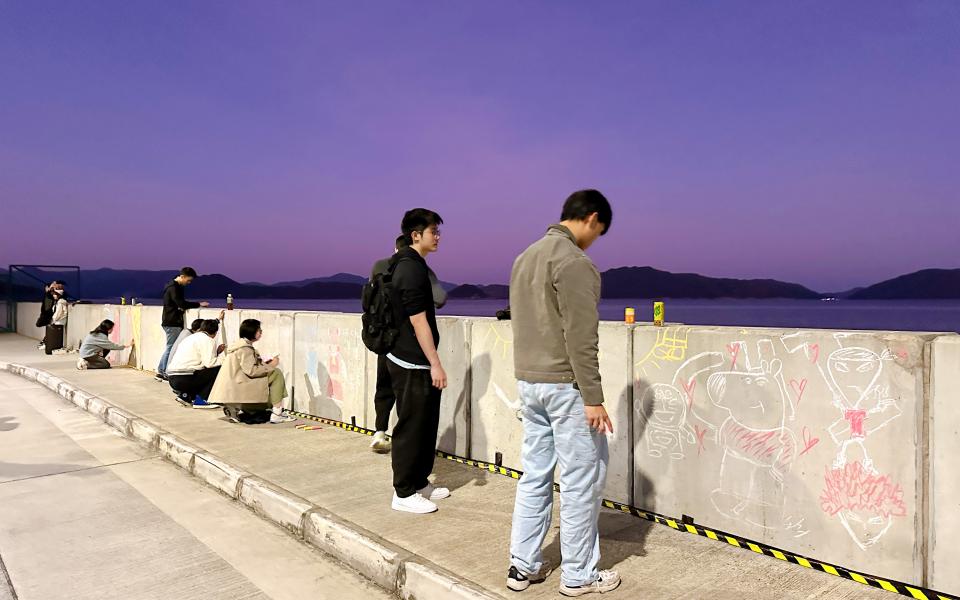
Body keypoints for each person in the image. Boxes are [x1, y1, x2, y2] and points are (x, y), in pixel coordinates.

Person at [506, 190, 621, 596]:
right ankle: (579, 574)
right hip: (565, 387)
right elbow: (581, 338)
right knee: (580, 480)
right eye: (598, 231)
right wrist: (593, 396)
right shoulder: (575, 263)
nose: (595, 239)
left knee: (534, 475)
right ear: (591, 218)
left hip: (529, 383)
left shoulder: (525, 258)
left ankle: (523, 566)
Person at [386, 209, 449, 514]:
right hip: (411, 359)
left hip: (413, 357)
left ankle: (420, 482)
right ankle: (403, 491)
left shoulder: (410, 264)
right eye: (433, 231)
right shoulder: (410, 269)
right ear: (416, 235)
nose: (437, 237)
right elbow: (418, 321)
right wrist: (435, 363)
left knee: (425, 422)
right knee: (411, 424)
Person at [369, 235, 448, 453]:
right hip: (408, 345)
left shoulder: (379, 265)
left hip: (383, 340)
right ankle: (407, 464)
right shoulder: (417, 268)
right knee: (411, 406)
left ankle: (380, 431)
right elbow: (440, 298)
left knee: (383, 386)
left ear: (394, 247)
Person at [208, 319, 296, 425]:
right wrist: (272, 365)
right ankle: (277, 413)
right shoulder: (245, 349)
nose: (261, 332)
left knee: (272, 375)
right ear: (251, 332)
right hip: (240, 384)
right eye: (259, 330)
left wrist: (264, 364)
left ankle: (236, 408)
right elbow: (252, 371)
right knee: (276, 373)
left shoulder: (238, 345)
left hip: (233, 384)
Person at [156, 267, 209, 381]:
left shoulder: (172, 286)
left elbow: (179, 304)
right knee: (171, 347)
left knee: (170, 347)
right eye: (188, 280)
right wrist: (198, 304)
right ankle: (163, 371)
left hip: (170, 321)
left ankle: (161, 370)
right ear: (183, 276)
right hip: (172, 321)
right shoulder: (174, 287)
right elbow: (181, 303)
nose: (189, 283)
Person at [166, 319, 223, 408]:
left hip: (172, 378)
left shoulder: (190, 337)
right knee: (218, 369)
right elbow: (210, 364)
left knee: (199, 370)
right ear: (215, 333)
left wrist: (216, 353)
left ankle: (185, 396)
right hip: (185, 378)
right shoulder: (208, 340)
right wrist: (224, 360)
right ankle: (201, 399)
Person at [44, 285, 69, 355]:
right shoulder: (58, 302)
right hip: (57, 321)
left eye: (55, 294)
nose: (53, 295)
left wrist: (53, 320)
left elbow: (58, 313)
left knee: (55, 336)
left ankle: (54, 347)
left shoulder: (61, 302)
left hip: (59, 321)